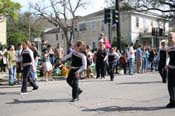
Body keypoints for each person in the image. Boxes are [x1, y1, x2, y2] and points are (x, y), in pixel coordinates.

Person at [165, 32, 175, 108]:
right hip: (171, 68)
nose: (170, 39)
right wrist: (166, 64)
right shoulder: (167, 47)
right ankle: (172, 100)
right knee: (170, 85)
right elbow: (168, 57)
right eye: (168, 37)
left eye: (171, 37)